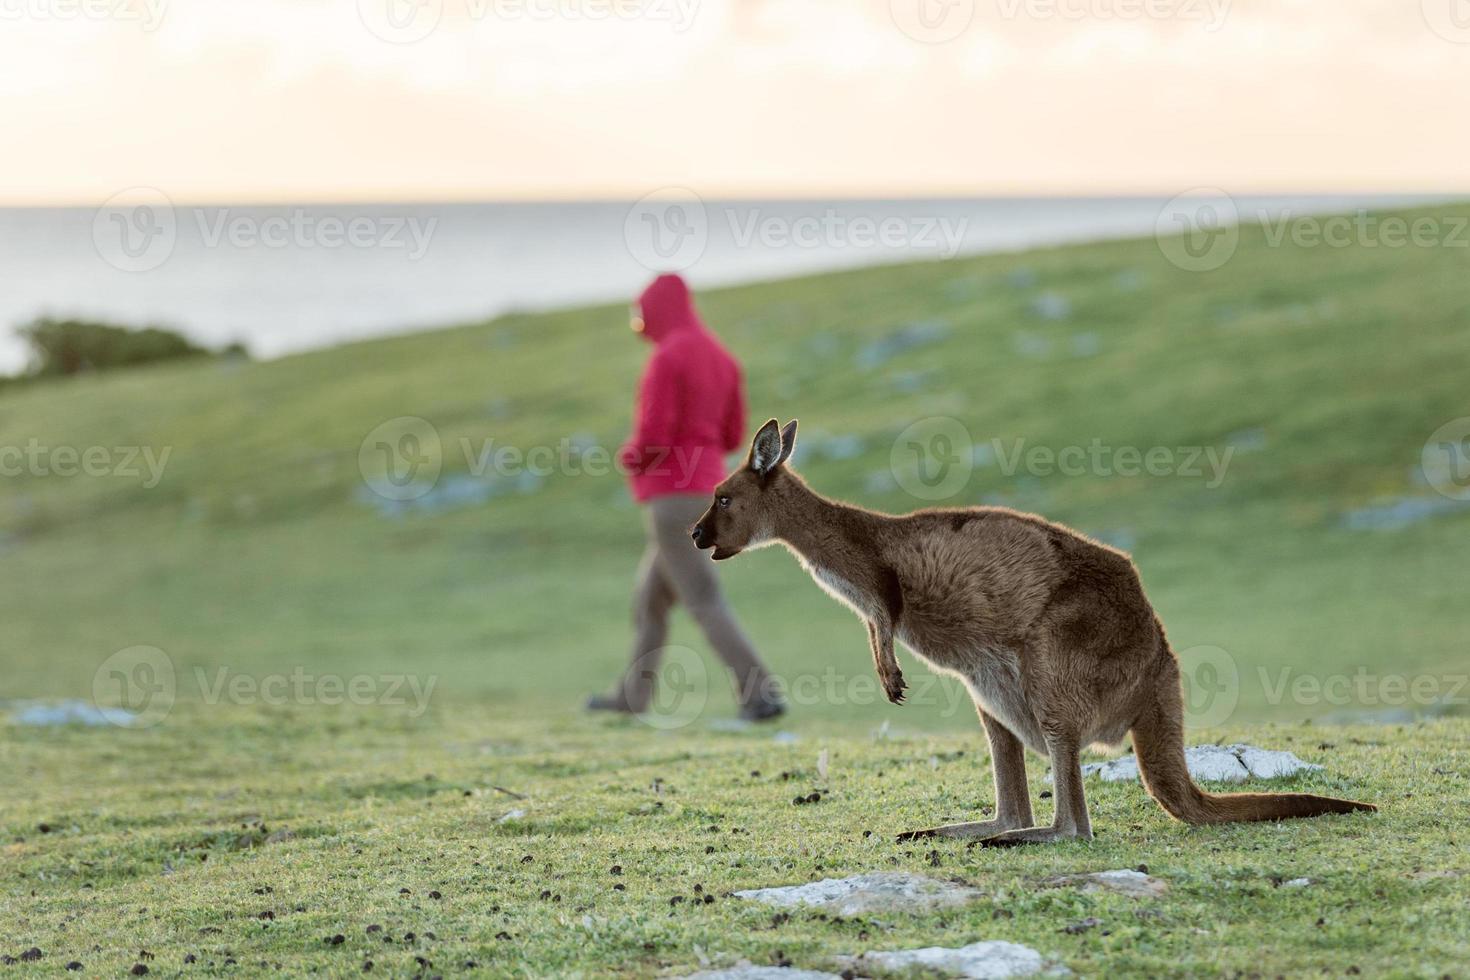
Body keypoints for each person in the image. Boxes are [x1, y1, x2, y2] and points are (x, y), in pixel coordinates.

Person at [587, 274, 784, 722]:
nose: (640, 326)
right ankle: (631, 698)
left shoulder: (667, 358)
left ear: (656, 311)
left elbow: (655, 435)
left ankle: (759, 693)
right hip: (710, 490)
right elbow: (734, 433)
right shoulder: (723, 358)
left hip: (672, 496)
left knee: (702, 597)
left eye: (641, 316)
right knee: (650, 601)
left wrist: (631, 458)